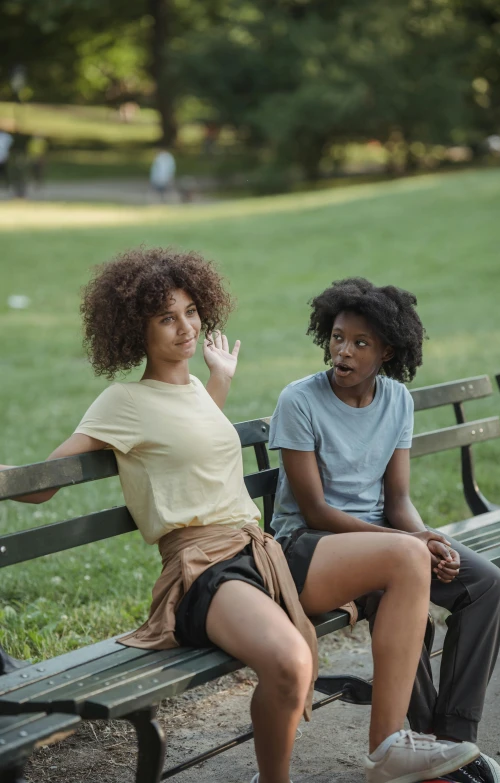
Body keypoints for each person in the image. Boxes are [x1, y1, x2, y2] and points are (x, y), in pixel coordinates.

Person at [0, 253, 475, 783]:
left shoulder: (198, 392)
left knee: (409, 553)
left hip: (261, 551)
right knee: (291, 664)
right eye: (166, 318)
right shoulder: (121, 402)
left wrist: (218, 379)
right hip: (205, 569)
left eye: (190, 311)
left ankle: (387, 747)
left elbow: (192, 438)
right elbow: (43, 484)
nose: (186, 327)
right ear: (135, 330)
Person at [268, 277, 500, 783]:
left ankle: (452, 742)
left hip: (384, 542)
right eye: (336, 337)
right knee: (396, 578)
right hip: (311, 548)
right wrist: (407, 544)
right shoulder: (299, 401)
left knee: (485, 583)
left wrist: (429, 538)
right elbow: (313, 511)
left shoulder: (398, 400)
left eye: (360, 343)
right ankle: (421, 751)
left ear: (388, 351)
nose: (343, 352)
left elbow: (397, 500)